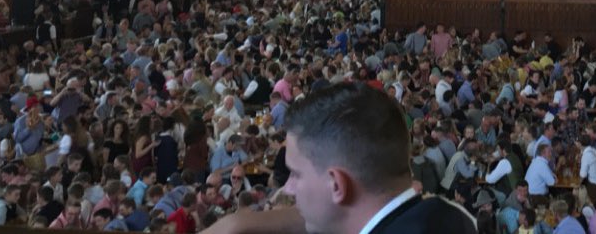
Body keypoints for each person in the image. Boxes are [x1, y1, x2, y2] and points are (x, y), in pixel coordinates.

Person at [199, 83, 474, 234]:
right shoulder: (453, 217)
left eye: (296, 174)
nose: (289, 188)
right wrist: (241, 223)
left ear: (336, 185)